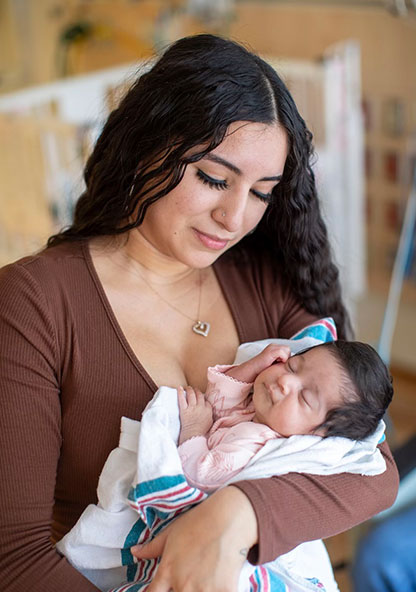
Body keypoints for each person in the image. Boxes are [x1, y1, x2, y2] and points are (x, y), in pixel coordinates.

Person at [0, 33, 398, 592]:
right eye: (214, 179)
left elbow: (370, 467)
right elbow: (12, 559)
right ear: (148, 147)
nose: (234, 218)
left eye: (262, 193)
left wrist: (235, 515)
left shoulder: (262, 280)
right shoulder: (34, 304)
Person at [177, 339, 394, 491]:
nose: (285, 381)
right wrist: (253, 366)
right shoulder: (262, 412)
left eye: (305, 398)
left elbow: (200, 478)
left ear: (319, 433)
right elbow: (216, 405)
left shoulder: (257, 445)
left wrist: (194, 430)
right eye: (292, 367)